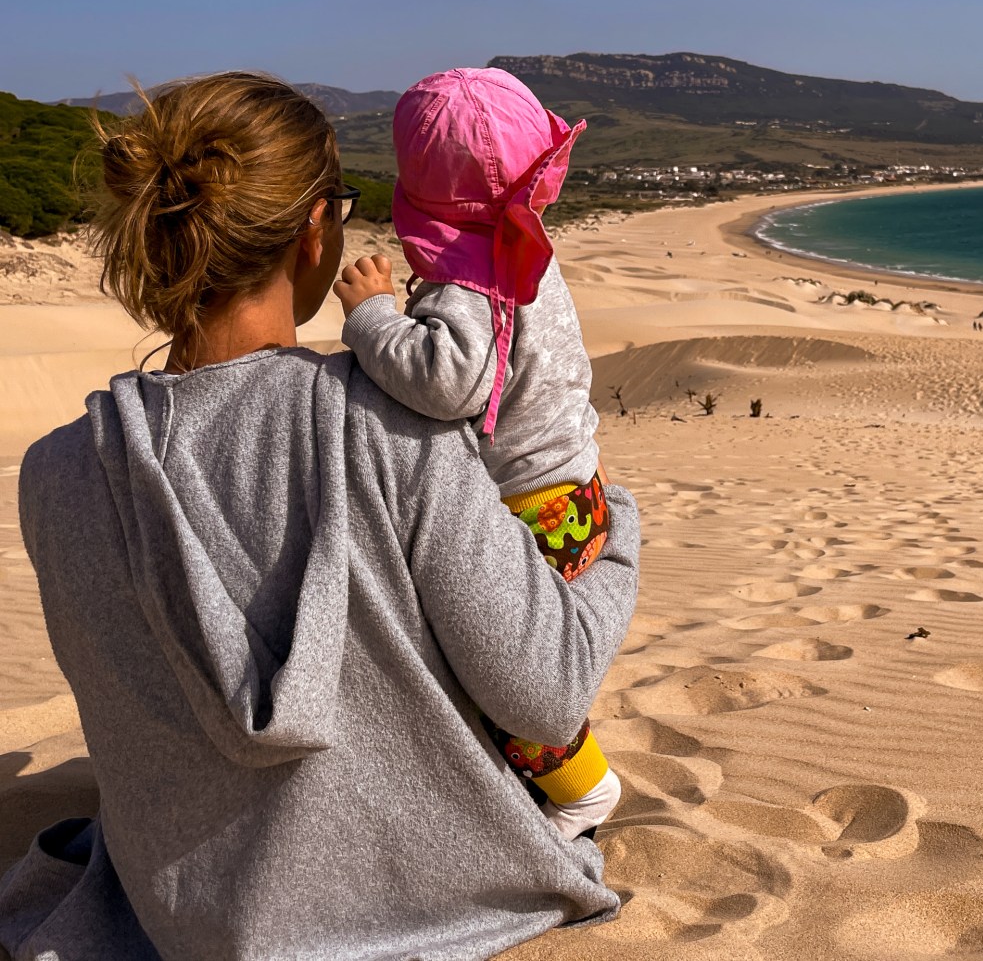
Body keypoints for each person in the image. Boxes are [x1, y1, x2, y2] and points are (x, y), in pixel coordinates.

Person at [0, 72, 641, 960]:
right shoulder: (387, 426)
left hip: (180, 915)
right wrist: (621, 542)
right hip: (424, 901)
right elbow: (545, 689)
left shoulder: (56, 471)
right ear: (313, 230)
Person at [336, 68, 617, 839]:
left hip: (532, 511)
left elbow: (447, 383)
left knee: (505, 679)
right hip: (574, 489)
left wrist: (371, 318)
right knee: (507, 668)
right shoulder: (526, 252)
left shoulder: (469, 284)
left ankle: (585, 793)